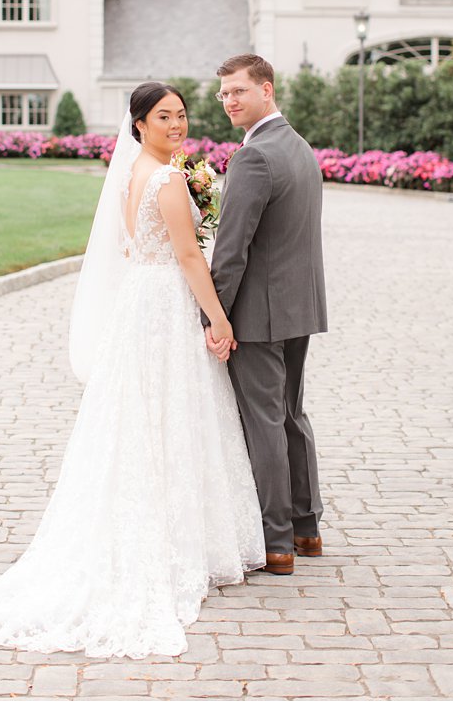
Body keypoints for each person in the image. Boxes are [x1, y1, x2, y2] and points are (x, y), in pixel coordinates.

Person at [0, 83, 264, 658]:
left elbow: (132, 248)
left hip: (141, 301)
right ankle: (173, 542)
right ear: (138, 123)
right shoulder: (169, 179)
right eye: (164, 117)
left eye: (182, 115)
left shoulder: (134, 173)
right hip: (164, 302)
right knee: (173, 412)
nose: (177, 125)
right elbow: (190, 256)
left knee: (145, 416)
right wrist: (217, 319)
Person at [204, 53, 327, 576]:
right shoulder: (300, 148)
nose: (230, 101)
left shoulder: (252, 157)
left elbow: (232, 250)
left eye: (239, 91)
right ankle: (306, 529)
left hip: (258, 313)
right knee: (291, 415)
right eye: (224, 93)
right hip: (300, 306)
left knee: (265, 422)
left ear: (266, 91)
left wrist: (214, 316)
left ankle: (275, 541)